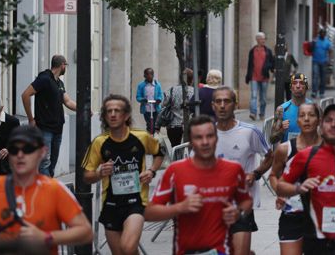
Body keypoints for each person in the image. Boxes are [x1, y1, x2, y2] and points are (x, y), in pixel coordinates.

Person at [0, 125, 93, 254]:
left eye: (28, 149)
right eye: (14, 149)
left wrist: (47, 237)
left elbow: (86, 232)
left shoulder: (55, 190)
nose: (20, 155)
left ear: (42, 152)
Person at [145, 115, 252, 255]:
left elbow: (246, 201)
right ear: (190, 143)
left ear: (217, 139)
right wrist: (179, 207)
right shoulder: (175, 171)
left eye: (210, 136)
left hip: (221, 250)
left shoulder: (233, 169)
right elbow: (148, 213)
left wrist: (238, 212)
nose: (205, 142)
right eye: (198, 138)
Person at [276, 104, 335, 255]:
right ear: (322, 125)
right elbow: (281, 186)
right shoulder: (305, 156)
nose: (333, 124)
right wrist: (298, 188)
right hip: (316, 237)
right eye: (328, 120)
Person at [82, 95, 164, 255]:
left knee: (127, 247)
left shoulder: (141, 137)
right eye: (109, 111)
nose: (113, 114)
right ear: (105, 116)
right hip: (111, 203)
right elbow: (86, 175)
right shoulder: (99, 142)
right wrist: (99, 173)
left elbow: (159, 153)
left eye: (117, 111)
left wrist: (151, 171)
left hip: (136, 202)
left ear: (126, 115)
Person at [212, 86, 273, 255]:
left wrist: (256, 174)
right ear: (212, 105)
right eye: (218, 101)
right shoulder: (205, 134)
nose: (222, 105)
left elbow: (269, 156)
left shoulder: (249, 131)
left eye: (227, 101)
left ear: (235, 105)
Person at [268, 102, 322, 255]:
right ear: (297, 121)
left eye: (311, 115)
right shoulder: (285, 149)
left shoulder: (329, 148)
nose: (306, 119)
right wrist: (279, 191)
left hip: (320, 216)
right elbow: (273, 175)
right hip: (292, 215)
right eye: (302, 116)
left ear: (319, 120)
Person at [21, 54, 76, 177]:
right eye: (65, 65)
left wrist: (83, 109)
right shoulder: (44, 78)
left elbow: (68, 101)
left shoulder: (59, 83)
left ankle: (47, 188)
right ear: (62, 65)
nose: (65, 68)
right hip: (44, 129)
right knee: (44, 163)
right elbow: (25, 95)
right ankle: (45, 190)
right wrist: (30, 119)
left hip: (57, 130)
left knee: (52, 164)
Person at [271, 73, 314, 144]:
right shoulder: (282, 109)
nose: (298, 86)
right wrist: (281, 130)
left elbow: (323, 135)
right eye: (294, 83)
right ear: (290, 88)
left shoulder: (314, 108)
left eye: (301, 83)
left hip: (308, 153)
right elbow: (272, 140)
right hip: (289, 153)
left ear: (306, 87)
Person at [161, 69, 196, 147]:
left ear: (180, 78)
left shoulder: (172, 90)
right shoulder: (195, 92)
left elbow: (163, 105)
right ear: (192, 79)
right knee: (189, 149)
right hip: (189, 125)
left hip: (173, 125)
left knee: (175, 149)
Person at [245, 32, 275, 120]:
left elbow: (272, 62)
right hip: (254, 76)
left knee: (263, 98)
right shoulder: (252, 50)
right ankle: (253, 113)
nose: (263, 40)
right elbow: (249, 64)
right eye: (262, 39)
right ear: (257, 40)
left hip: (264, 77)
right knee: (254, 95)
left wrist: (271, 68)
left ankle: (262, 113)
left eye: (264, 39)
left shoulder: (268, 51)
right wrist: (248, 76)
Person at [135, 68, 163, 135]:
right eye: (147, 74)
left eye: (151, 74)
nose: (149, 76)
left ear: (153, 75)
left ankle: (154, 136)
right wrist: (142, 100)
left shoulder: (157, 85)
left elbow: (160, 95)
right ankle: (149, 135)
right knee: (149, 124)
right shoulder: (141, 85)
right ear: (144, 75)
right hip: (146, 109)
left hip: (155, 108)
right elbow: (138, 96)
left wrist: (159, 99)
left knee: (155, 124)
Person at [310, 28, 333, 99]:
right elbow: (310, 49)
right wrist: (311, 45)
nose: (322, 34)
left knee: (323, 78)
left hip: (324, 62)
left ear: (325, 34)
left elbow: (330, 50)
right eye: (321, 33)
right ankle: (314, 91)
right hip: (315, 61)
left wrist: (329, 60)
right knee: (315, 77)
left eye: (324, 33)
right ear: (319, 34)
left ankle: (322, 92)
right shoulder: (315, 40)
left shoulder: (327, 42)